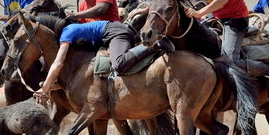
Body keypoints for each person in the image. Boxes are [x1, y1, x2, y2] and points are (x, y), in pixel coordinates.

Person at [33, 20, 175, 102]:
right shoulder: (69, 32)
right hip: (111, 34)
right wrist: (48, 86)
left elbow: (58, 63)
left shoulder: (66, 33)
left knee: (119, 64)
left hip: (114, 32)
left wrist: (45, 88)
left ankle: (155, 44)